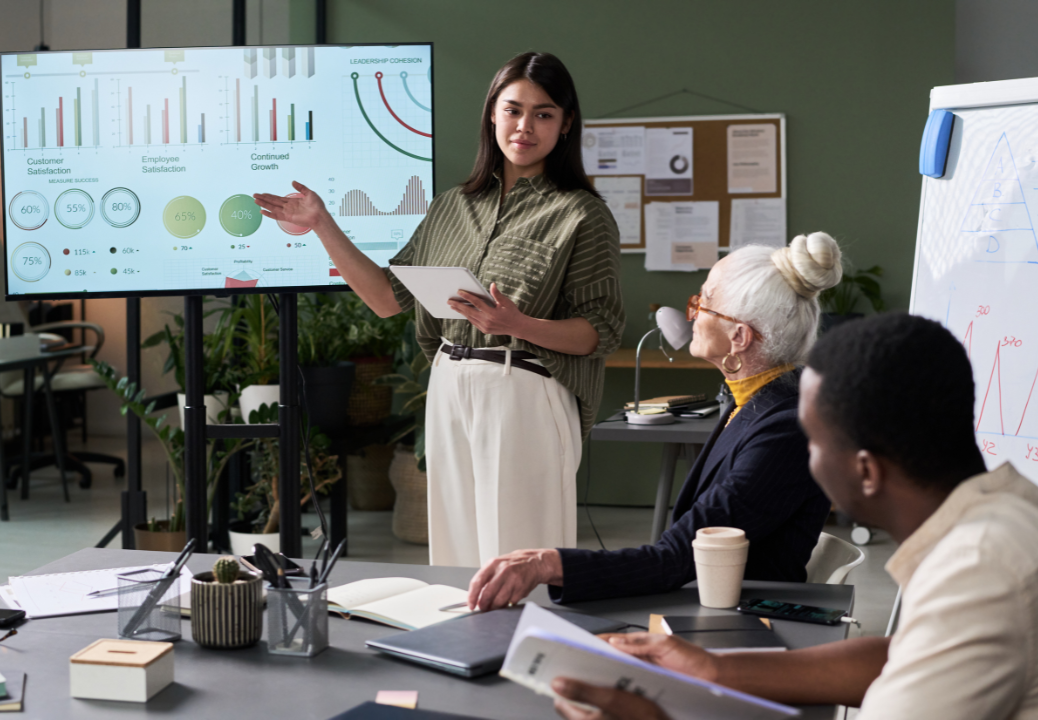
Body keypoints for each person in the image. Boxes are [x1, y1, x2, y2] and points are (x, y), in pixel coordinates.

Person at [552, 313, 1038, 720]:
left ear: (865, 470)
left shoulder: (977, 567)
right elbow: (906, 655)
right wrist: (713, 671)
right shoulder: (1010, 511)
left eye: (815, 442)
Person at [254, 52, 624, 567]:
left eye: (543, 114)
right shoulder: (451, 206)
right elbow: (386, 299)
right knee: (453, 555)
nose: (524, 126)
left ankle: (525, 643)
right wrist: (322, 224)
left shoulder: (582, 213)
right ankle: (464, 643)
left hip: (525, 388)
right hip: (450, 384)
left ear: (565, 126)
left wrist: (518, 324)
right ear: (492, 114)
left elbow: (599, 331)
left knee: (519, 554)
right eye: (513, 110)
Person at [469, 232, 842, 611]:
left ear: (739, 337)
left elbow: (675, 559)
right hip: (710, 600)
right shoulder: (755, 401)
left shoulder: (786, 430)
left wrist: (548, 563)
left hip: (743, 620)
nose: (692, 314)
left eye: (704, 302)